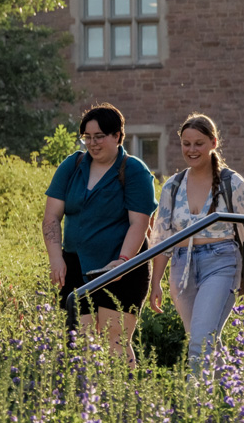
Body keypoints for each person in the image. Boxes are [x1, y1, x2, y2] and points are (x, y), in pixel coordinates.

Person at [148, 113, 244, 373]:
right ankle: (234, 396)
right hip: (181, 267)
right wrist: (155, 281)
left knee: (200, 341)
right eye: (186, 143)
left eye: (199, 143)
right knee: (204, 340)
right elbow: (161, 237)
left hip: (221, 262)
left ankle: (197, 406)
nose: (191, 150)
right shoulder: (173, 186)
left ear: (214, 143)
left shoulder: (233, 183)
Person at [42, 103, 158, 366]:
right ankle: (86, 401)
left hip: (121, 267)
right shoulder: (72, 166)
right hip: (75, 264)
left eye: (99, 137)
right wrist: (55, 258)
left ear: (117, 136)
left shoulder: (133, 170)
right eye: (87, 137)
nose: (92, 144)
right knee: (79, 340)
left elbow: (139, 223)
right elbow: (51, 218)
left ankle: (127, 399)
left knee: (114, 339)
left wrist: (123, 260)